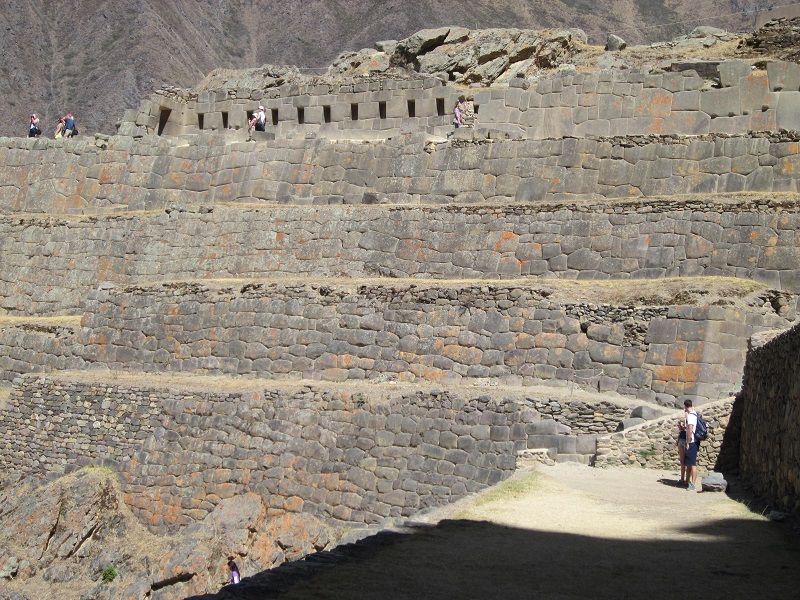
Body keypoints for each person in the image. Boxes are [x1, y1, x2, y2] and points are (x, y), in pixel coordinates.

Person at [683, 399, 699, 491]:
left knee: (692, 464)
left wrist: (688, 442)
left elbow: (690, 429)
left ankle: (693, 484)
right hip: (693, 441)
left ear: (685, 406)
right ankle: (687, 481)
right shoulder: (694, 414)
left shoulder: (692, 416)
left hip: (692, 441)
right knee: (689, 463)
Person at [675, 419, 687, 486]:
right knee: (682, 461)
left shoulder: (691, 417)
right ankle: (682, 479)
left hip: (687, 439)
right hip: (681, 438)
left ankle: (687, 480)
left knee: (689, 461)